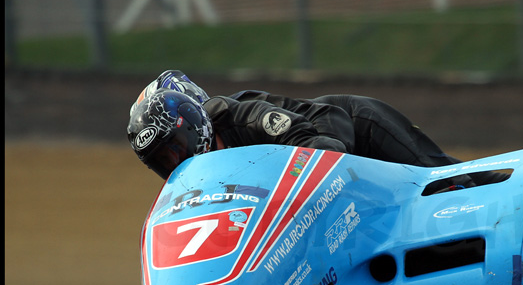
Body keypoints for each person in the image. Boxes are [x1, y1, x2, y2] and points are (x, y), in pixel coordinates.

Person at [127, 70, 468, 185]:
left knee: (444, 178)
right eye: (162, 160)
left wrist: (324, 151)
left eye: (175, 148)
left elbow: (315, 131)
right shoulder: (198, 178)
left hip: (357, 124)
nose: (175, 162)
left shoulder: (245, 118)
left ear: (194, 123)